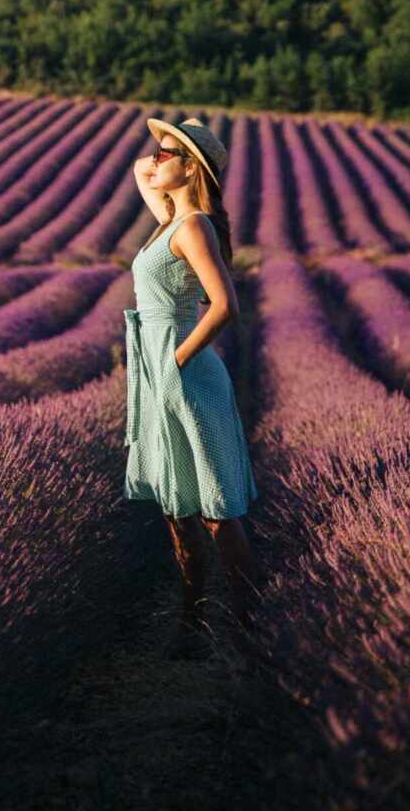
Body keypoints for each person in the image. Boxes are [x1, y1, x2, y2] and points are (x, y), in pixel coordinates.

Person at [123, 115, 259, 662]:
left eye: (167, 154)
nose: (154, 159)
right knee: (177, 510)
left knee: (216, 512)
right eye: (158, 150)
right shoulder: (170, 219)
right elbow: (138, 170)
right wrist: (170, 149)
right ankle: (192, 624)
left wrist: (174, 360)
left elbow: (225, 306)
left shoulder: (194, 226)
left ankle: (247, 633)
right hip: (157, 372)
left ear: (191, 169)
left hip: (184, 372)